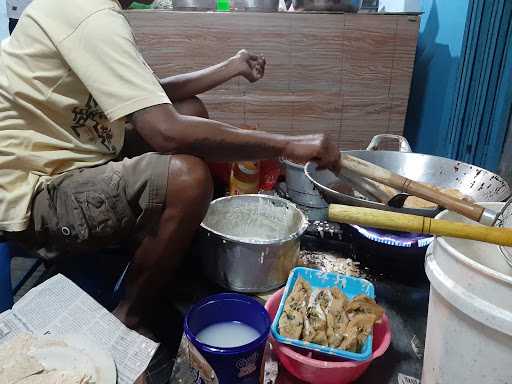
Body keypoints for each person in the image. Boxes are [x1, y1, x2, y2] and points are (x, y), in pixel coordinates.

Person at [0, 0, 339, 367]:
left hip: (74, 152)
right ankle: (129, 314)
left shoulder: (88, 10)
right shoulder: (90, 15)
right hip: (35, 190)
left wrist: (231, 66)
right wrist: (289, 144)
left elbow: (150, 94)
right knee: (188, 179)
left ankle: (159, 246)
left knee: (189, 109)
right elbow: (165, 132)